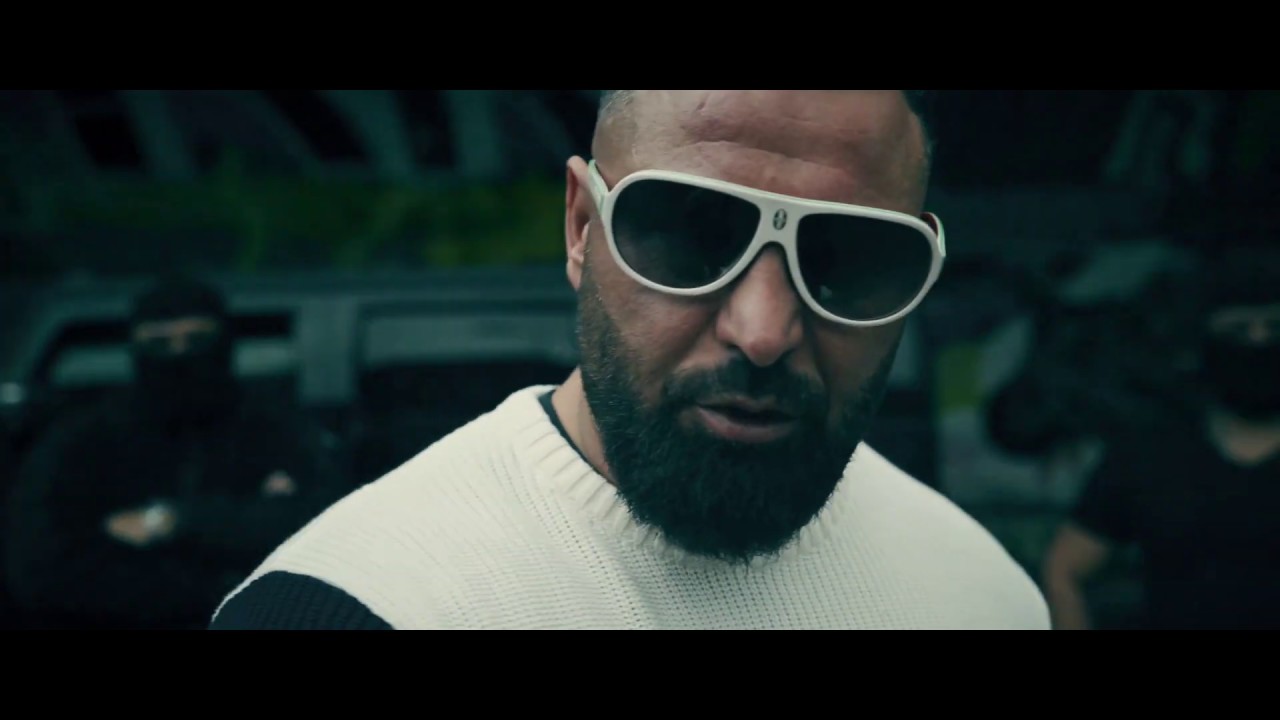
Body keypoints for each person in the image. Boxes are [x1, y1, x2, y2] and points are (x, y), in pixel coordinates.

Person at [211, 90, 1050, 630]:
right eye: (691, 235)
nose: (762, 331)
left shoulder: (983, 595)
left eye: (849, 257)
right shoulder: (353, 605)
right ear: (582, 226)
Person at [6, 277, 348, 629]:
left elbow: (321, 528)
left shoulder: (275, 429)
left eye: (197, 341)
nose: (179, 355)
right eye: (159, 344)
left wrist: (176, 522)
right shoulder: (83, 443)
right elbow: (41, 562)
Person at [1042, 246, 1280, 630]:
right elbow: (1063, 569)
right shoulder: (1149, 454)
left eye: (1273, 330)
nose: (1258, 343)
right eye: (1239, 331)